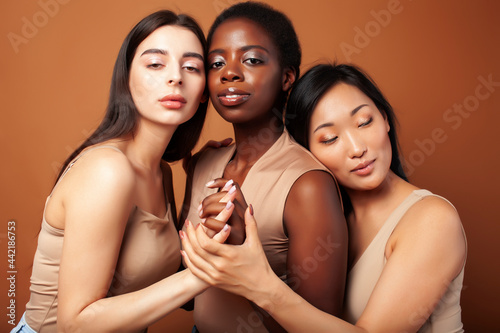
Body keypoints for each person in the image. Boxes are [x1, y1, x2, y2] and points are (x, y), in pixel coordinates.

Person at [180, 63, 467, 333]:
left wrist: (261, 284)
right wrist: (209, 167)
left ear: (384, 118)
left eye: (365, 122)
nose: (357, 148)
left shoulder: (431, 219)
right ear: (304, 153)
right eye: (330, 139)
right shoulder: (324, 217)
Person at [11, 10, 232, 333]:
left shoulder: (160, 172)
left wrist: (200, 176)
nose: (175, 77)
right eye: (156, 64)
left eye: (191, 67)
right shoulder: (107, 170)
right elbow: (76, 323)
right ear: (126, 80)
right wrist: (205, 273)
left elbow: (165, 282)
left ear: (202, 94)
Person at [179, 2, 347, 332]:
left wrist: (241, 249)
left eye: (252, 59)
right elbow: (187, 297)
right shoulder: (204, 164)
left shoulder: (308, 184)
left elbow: (321, 326)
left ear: (287, 77)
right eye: (216, 62)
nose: (229, 72)